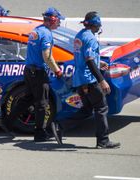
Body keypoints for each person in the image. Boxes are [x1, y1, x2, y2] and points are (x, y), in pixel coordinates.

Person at [72, 11, 120, 148]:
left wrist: (99, 63)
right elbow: (89, 60)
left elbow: (84, 58)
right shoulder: (91, 39)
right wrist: (101, 80)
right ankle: (103, 141)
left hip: (79, 79)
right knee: (101, 108)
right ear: (96, 25)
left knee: (87, 109)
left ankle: (58, 125)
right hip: (90, 80)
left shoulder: (79, 35)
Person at [24, 7, 64, 142]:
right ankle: (39, 133)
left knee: (29, 99)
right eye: (58, 20)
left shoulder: (37, 30)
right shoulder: (46, 34)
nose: (59, 23)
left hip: (29, 70)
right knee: (42, 104)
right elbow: (47, 56)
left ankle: (8, 121)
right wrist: (57, 70)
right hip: (38, 72)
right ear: (53, 20)